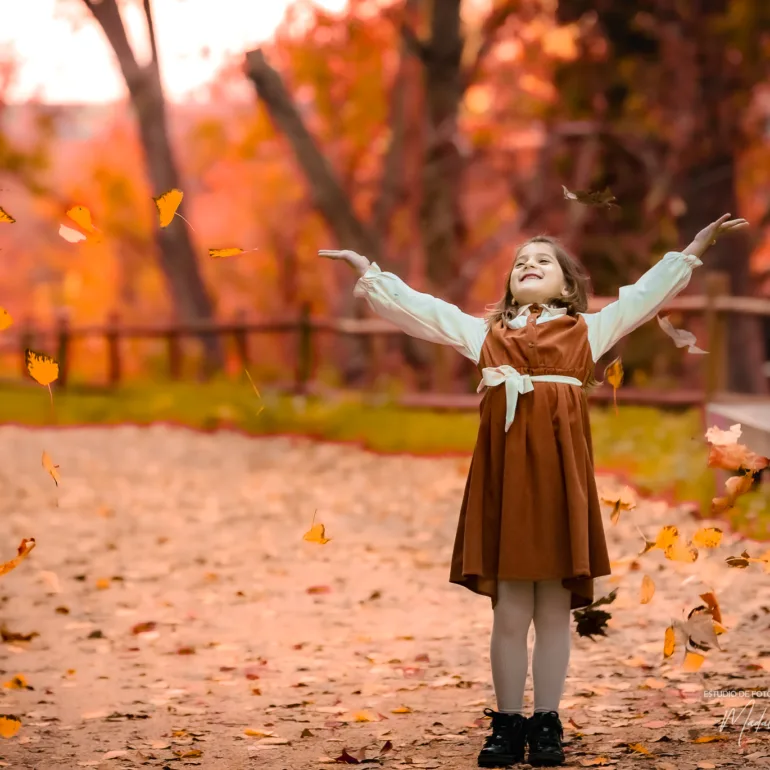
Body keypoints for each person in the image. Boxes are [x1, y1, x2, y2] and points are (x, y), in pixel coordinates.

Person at [318, 213, 747, 768]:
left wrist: (693, 246)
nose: (528, 265)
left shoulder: (589, 330)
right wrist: (372, 274)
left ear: (568, 286)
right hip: (507, 482)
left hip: (559, 480)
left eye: (542, 261)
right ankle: (506, 723)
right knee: (511, 607)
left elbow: (645, 294)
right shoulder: (486, 334)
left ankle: (547, 721)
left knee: (552, 608)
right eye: (521, 262)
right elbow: (425, 311)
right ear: (509, 285)